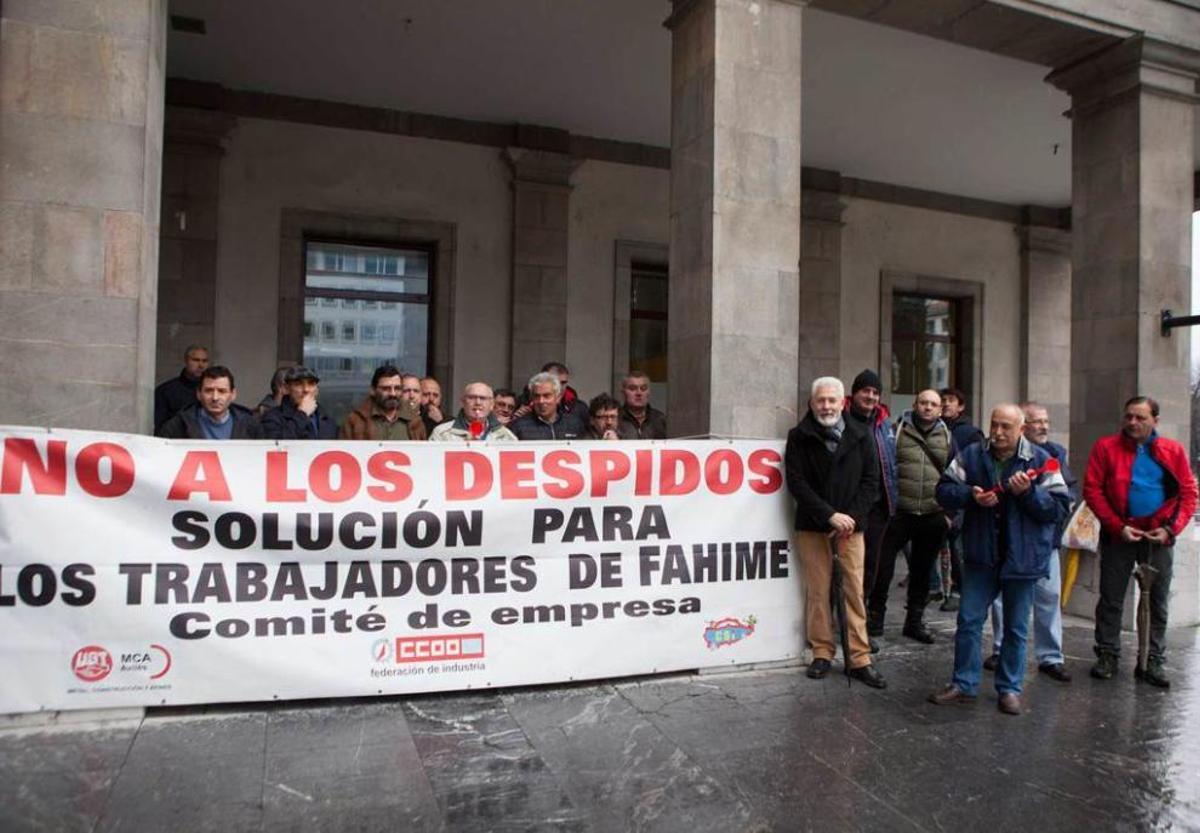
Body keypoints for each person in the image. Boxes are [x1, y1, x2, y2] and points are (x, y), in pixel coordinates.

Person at [929, 403, 1070, 715]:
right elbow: (943, 490)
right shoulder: (972, 455)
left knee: (1016, 628)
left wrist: (1029, 493)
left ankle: (1009, 688)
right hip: (981, 555)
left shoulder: (1041, 460)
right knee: (968, 621)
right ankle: (964, 683)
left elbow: (1059, 508)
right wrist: (970, 496)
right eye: (994, 424)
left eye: (1006, 426)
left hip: (1022, 559)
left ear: (1022, 429)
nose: (998, 432)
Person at [1084, 395, 1198, 688]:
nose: (1133, 422)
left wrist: (1170, 530)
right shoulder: (1105, 447)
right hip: (1119, 534)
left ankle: (1153, 658)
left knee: (1158, 600)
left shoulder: (1172, 451)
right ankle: (1107, 653)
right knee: (1111, 598)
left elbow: (1188, 494)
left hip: (1158, 536)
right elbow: (1093, 490)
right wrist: (1117, 526)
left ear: (1155, 421)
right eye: (1129, 417)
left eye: (1140, 418)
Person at [784, 376, 886, 689]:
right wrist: (829, 516)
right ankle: (822, 652)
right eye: (821, 400)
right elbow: (797, 483)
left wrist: (850, 518)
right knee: (817, 591)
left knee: (853, 591)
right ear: (811, 403)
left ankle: (859, 658)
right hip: (814, 526)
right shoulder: (798, 436)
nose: (826, 406)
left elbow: (871, 481)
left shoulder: (862, 434)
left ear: (843, 403)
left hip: (851, 529)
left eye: (832, 400)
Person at [984, 402, 1075, 682]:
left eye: (1046, 421)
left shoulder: (1055, 455)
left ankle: (1051, 657)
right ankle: (1000, 649)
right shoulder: (998, 455)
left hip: (1044, 542)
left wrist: (1031, 495)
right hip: (1008, 542)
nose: (1043, 426)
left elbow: (1064, 499)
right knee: (1003, 601)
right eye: (1037, 421)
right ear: (1022, 426)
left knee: (1049, 597)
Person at [868, 389, 954, 645]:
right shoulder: (896, 431)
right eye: (923, 403)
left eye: (933, 404)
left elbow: (956, 475)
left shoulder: (948, 436)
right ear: (915, 405)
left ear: (940, 410)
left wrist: (950, 514)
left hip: (932, 514)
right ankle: (875, 621)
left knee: (922, 572)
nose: (928, 407)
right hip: (899, 513)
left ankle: (914, 622)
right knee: (882, 569)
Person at [845, 369, 898, 653]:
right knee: (841, 572)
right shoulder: (841, 420)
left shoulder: (884, 424)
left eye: (875, 392)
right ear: (854, 393)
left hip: (878, 509)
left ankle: (859, 630)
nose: (871, 396)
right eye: (865, 390)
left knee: (868, 571)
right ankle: (835, 627)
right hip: (848, 510)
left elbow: (892, 464)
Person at [157, 366, 262, 439]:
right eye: (209, 391)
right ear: (198, 394)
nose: (215, 398)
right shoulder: (178, 425)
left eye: (222, 391)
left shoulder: (250, 426)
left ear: (233, 394)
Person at [339, 365, 427, 441]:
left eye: (397, 388)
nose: (392, 394)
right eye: (386, 389)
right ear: (373, 390)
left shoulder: (415, 421)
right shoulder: (355, 421)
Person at [260, 366, 338, 440]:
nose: (306, 389)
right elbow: (277, 445)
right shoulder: (272, 417)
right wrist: (302, 414)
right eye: (298, 384)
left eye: (311, 384)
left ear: (317, 390)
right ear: (287, 388)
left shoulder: (327, 420)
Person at [509, 372, 587, 440]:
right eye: (536, 396)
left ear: (558, 398)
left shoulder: (574, 424)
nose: (541, 401)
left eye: (547, 396)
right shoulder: (519, 427)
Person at [430, 382, 517, 441]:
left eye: (483, 398)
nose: (478, 402)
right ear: (463, 402)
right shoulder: (441, 433)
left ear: (491, 405)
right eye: (472, 398)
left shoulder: (506, 436)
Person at [153, 344, 209, 433]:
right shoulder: (165, 391)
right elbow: (160, 428)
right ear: (186, 361)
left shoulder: (214, 391)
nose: (201, 365)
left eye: (204, 361)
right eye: (196, 360)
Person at [617, 371, 667, 439]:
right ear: (623, 392)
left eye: (643, 389)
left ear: (649, 392)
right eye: (633, 388)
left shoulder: (660, 419)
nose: (639, 393)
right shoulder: (616, 419)